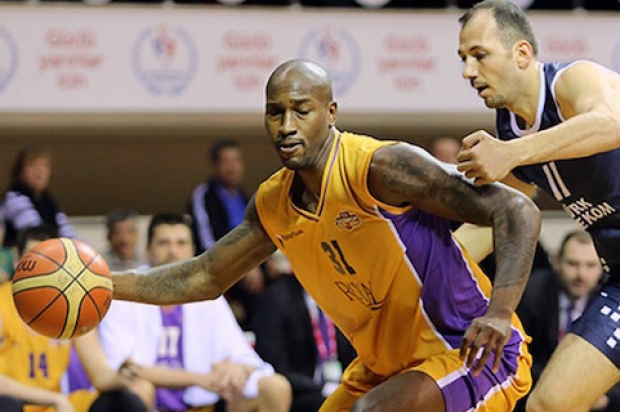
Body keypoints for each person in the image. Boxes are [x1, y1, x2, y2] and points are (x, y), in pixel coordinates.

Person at [112, 58, 541, 411]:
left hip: (470, 352)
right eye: (275, 112)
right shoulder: (272, 203)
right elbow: (204, 276)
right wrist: (105, 285)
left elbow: (516, 209)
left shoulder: (381, 168)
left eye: (301, 111)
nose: (286, 125)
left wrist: (500, 312)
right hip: (385, 370)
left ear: (331, 112)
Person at [456, 1, 620, 410]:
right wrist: (418, 269)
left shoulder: (572, 80)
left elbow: (612, 122)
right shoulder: (510, 133)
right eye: (463, 59)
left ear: (522, 53)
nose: (468, 72)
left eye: (479, 55)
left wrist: (513, 154)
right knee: (549, 403)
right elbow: (500, 219)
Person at [103, 213, 291, 412]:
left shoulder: (209, 296)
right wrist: (198, 379)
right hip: (150, 399)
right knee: (137, 389)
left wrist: (239, 369)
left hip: (203, 401)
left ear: (193, 251)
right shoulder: (125, 292)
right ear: (148, 250)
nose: (173, 251)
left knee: (275, 387)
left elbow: (244, 356)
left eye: (181, 243)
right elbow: (122, 367)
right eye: (164, 243)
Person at [515, 230, 619, 412]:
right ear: (556, 261)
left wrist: (605, 396)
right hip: (536, 392)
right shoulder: (532, 293)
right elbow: (517, 360)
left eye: (590, 265)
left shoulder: (609, 299)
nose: (581, 274)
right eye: (573, 264)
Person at [0, 225, 93, 412]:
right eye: (33, 260)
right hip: (16, 403)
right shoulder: (3, 302)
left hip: (54, 406)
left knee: (118, 401)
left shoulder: (73, 304)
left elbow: (102, 374)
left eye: (50, 261)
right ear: (17, 261)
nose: (42, 268)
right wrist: (54, 399)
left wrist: (132, 377)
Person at [252, 251, 356, 412]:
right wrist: (321, 388)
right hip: (301, 391)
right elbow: (274, 364)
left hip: (342, 384)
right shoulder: (276, 298)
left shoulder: (341, 295)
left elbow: (355, 351)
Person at [188, 139, 264, 330]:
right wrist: (242, 266)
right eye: (226, 162)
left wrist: (260, 262)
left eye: (236, 161)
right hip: (220, 268)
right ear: (214, 166)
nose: (233, 167)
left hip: (248, 266)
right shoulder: (204, 195)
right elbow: (207, 242)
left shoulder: (243, 196)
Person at [0, 146, 76, 249]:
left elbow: (68, 233)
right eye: (32, 165)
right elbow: (34, 232)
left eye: (44, 166)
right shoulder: (14, 198)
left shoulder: (49, 202)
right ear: (20, 171)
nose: (39, 170)